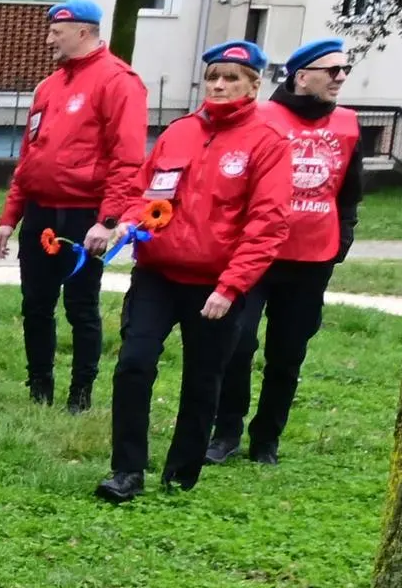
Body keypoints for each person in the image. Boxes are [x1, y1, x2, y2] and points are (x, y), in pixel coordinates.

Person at [97, 40, 294, 503]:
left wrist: (231, 286)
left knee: (203, 377)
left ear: (253, 84)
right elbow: (145, 191)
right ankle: (126, 471)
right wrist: (126, 223)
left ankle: (180, 473)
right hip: (157, 274)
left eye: (231, 78)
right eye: (213, 77)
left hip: (215, 282)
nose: (220, 86)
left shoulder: (266, 144)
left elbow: (267, 224)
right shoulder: (179, 132)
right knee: (133, 365)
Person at [208, 38, 366, 467]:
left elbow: (349, 194)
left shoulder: (349, 125)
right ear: (302, 76)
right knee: (237, 343)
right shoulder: (260, 117)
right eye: (332, 70)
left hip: (312, 258)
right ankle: (226, 432)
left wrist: (342, 239)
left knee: (288, 351)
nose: (341, 78)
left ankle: (267, 438)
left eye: (344, 70)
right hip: (256, 255)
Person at [0, 0, 149, 412]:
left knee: (81, 305)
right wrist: (10, 217)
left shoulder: (118, 81)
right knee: (35, 304)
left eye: (55, 33)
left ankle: (81, 392)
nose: (48, 40)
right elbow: (30, 157)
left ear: (83, 32)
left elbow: (127, 158)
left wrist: (109, 219)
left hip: (85, 215)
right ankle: (39, 386)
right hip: (42, 210)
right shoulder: (49, 87)